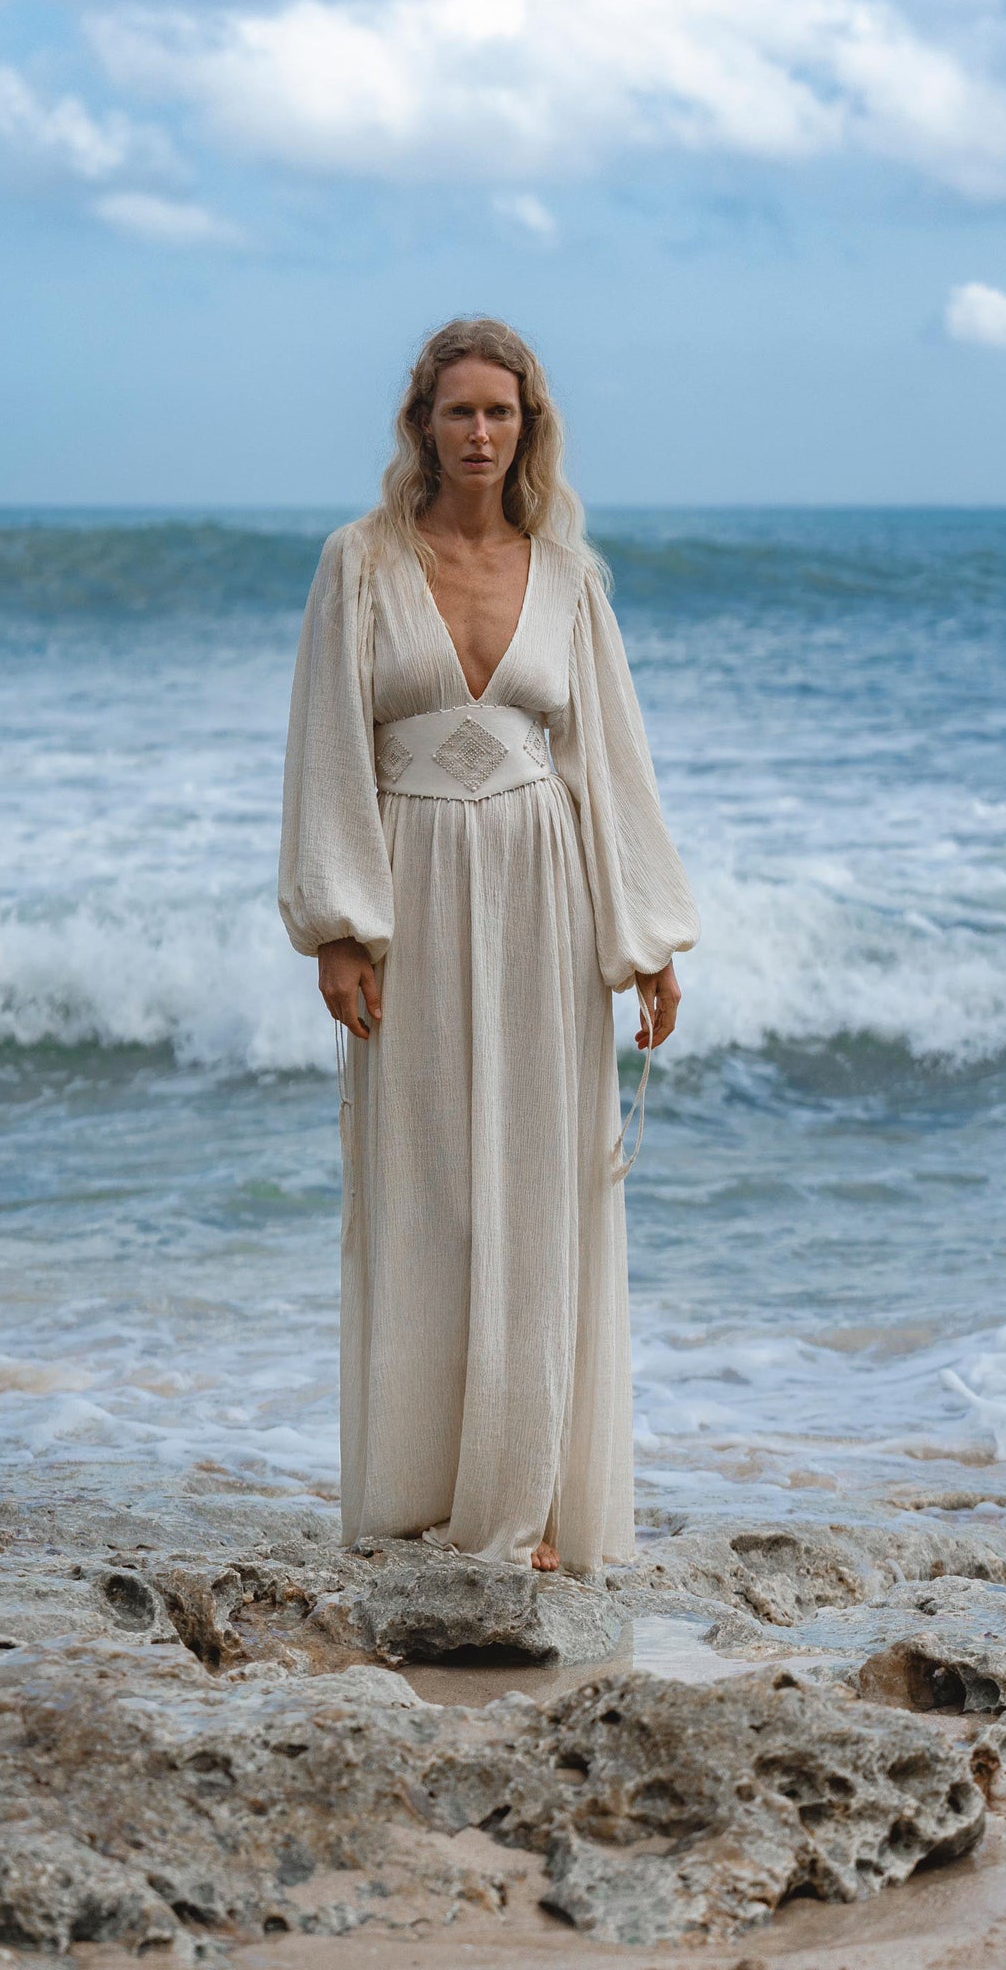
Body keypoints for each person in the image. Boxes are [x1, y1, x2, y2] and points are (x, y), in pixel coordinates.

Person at [278, 317, 698, 1577]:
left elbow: (609, 763)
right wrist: (339, 927)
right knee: (423, 1195)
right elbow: (327, 746)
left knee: (540, 1188)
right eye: (457, 411)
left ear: (528, 426)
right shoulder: (358, 565)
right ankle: (415, 1494)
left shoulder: (568, 578)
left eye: (499, 413)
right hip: (408, 886)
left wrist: (647, 939)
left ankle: (529, 1504)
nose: (478, 433)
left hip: (543, 891)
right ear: (421, 424)